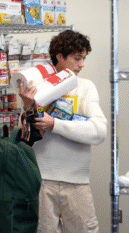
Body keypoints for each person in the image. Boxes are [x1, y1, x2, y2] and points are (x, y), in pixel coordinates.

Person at [19, 30, 107, 232]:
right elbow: (24, 138)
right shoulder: (35, 88)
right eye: (77, 58)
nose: (82, 64)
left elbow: (99, 131)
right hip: (41, 182)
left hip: (76, 183)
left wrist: (55, 125)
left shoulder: (85, 88)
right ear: (60, 56)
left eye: (84, 58)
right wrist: (27, 108)